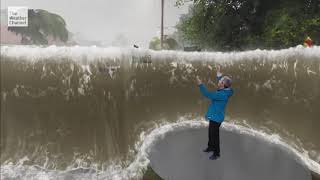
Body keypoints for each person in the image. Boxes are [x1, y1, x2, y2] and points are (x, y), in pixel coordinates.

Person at [196, 65, 233, 160]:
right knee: (210, 133)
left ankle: (217, 153)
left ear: (223, 85)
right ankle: (210, 147)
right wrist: (219, 74)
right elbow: (225, 83)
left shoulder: (221, 94)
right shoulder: (227, 91)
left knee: (215, 136)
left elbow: (207, 94)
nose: (219, 82)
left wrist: (200, 84)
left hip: (216, 118)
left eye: (220, 82)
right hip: (216, 117)